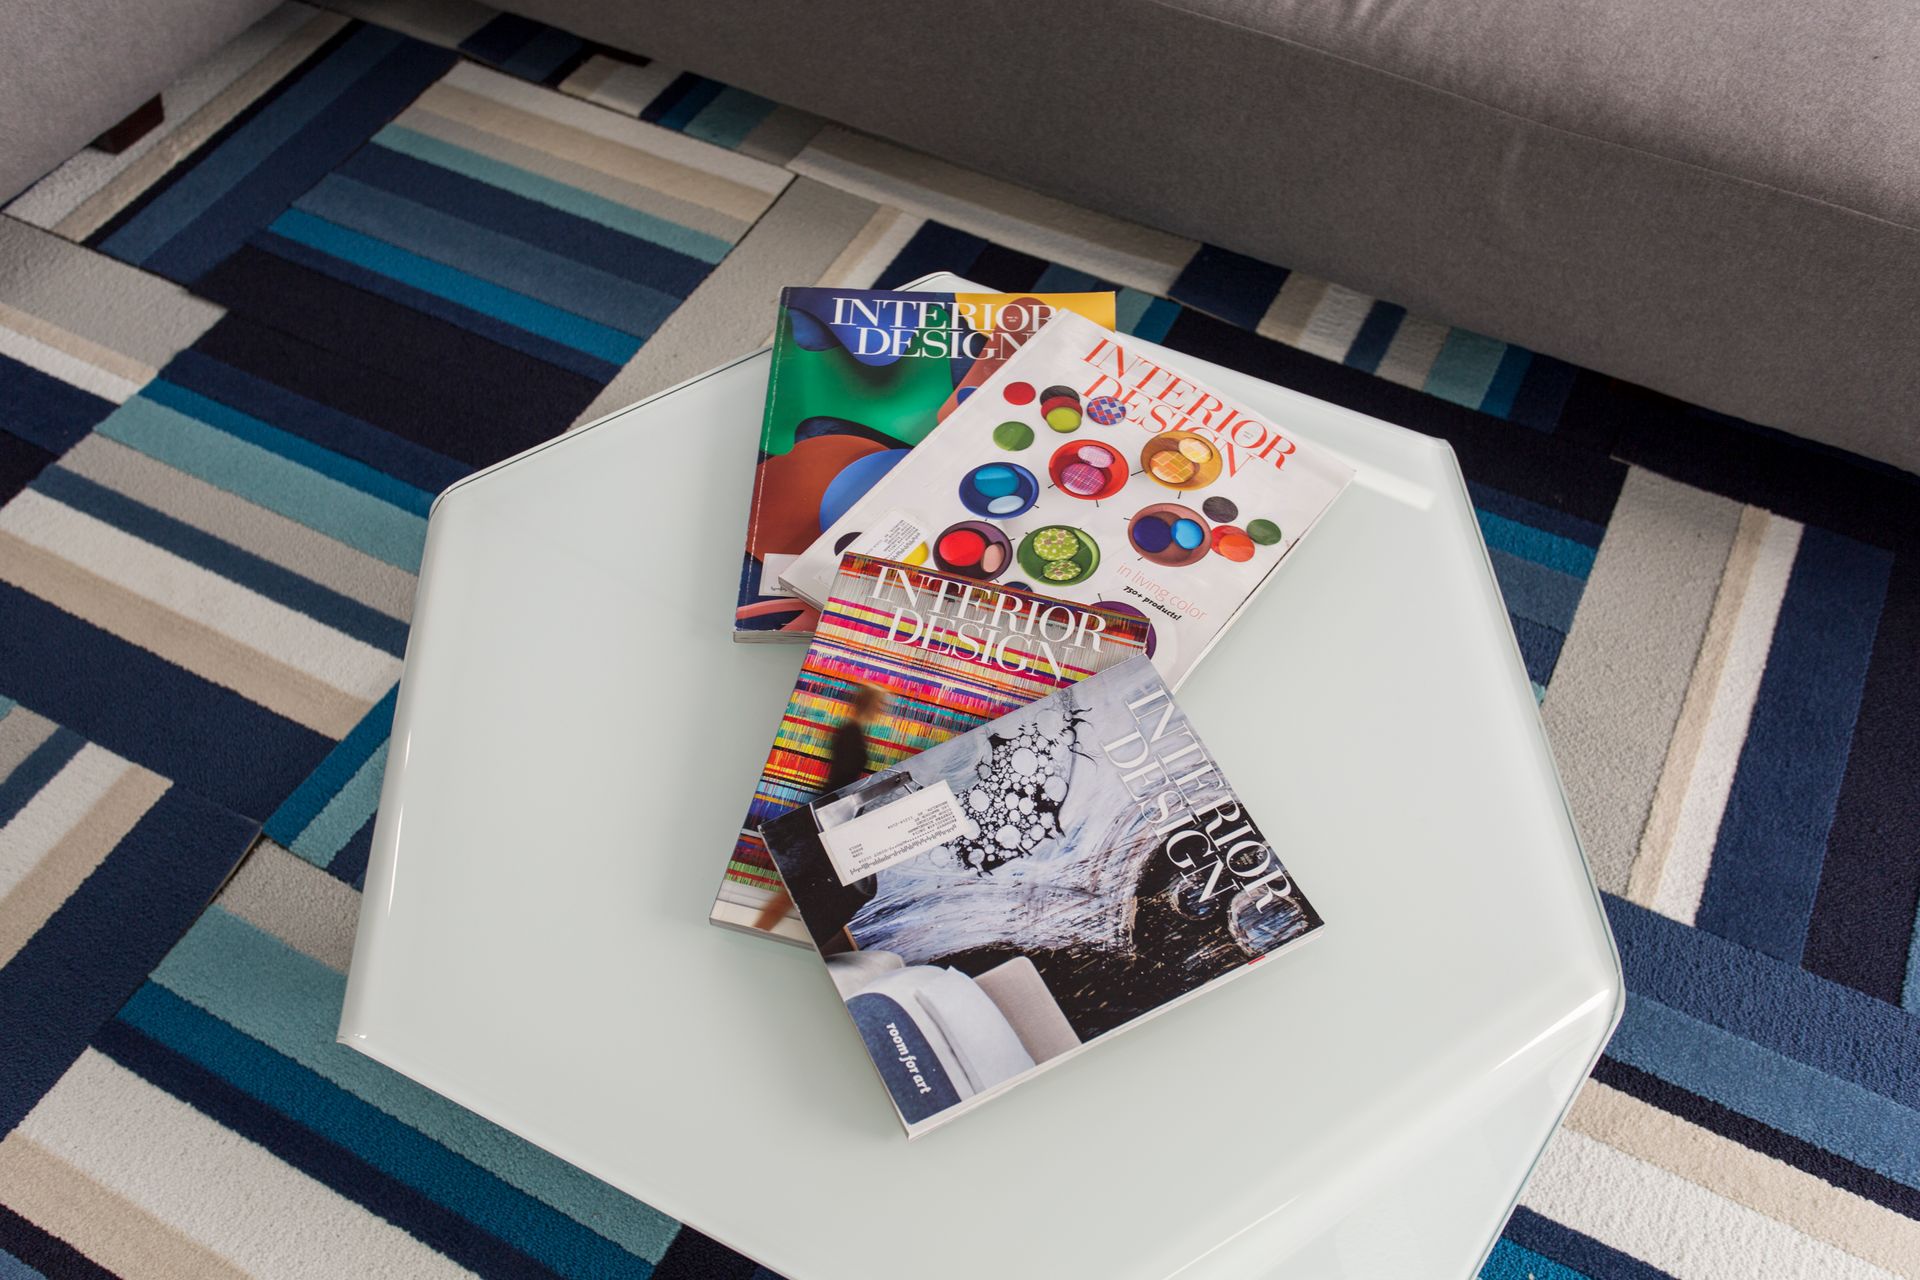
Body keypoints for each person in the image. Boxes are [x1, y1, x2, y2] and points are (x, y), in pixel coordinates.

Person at [753, 684, 888, 945]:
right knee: (796, 887)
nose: (883, 709)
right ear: (869, 703)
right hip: (826, 817)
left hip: (827, 814)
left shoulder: (852, 731)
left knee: (797, 888)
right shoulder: (850, 733)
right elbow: (840, 780)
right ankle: (761, 931)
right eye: (880, 703)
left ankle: (762, 931)